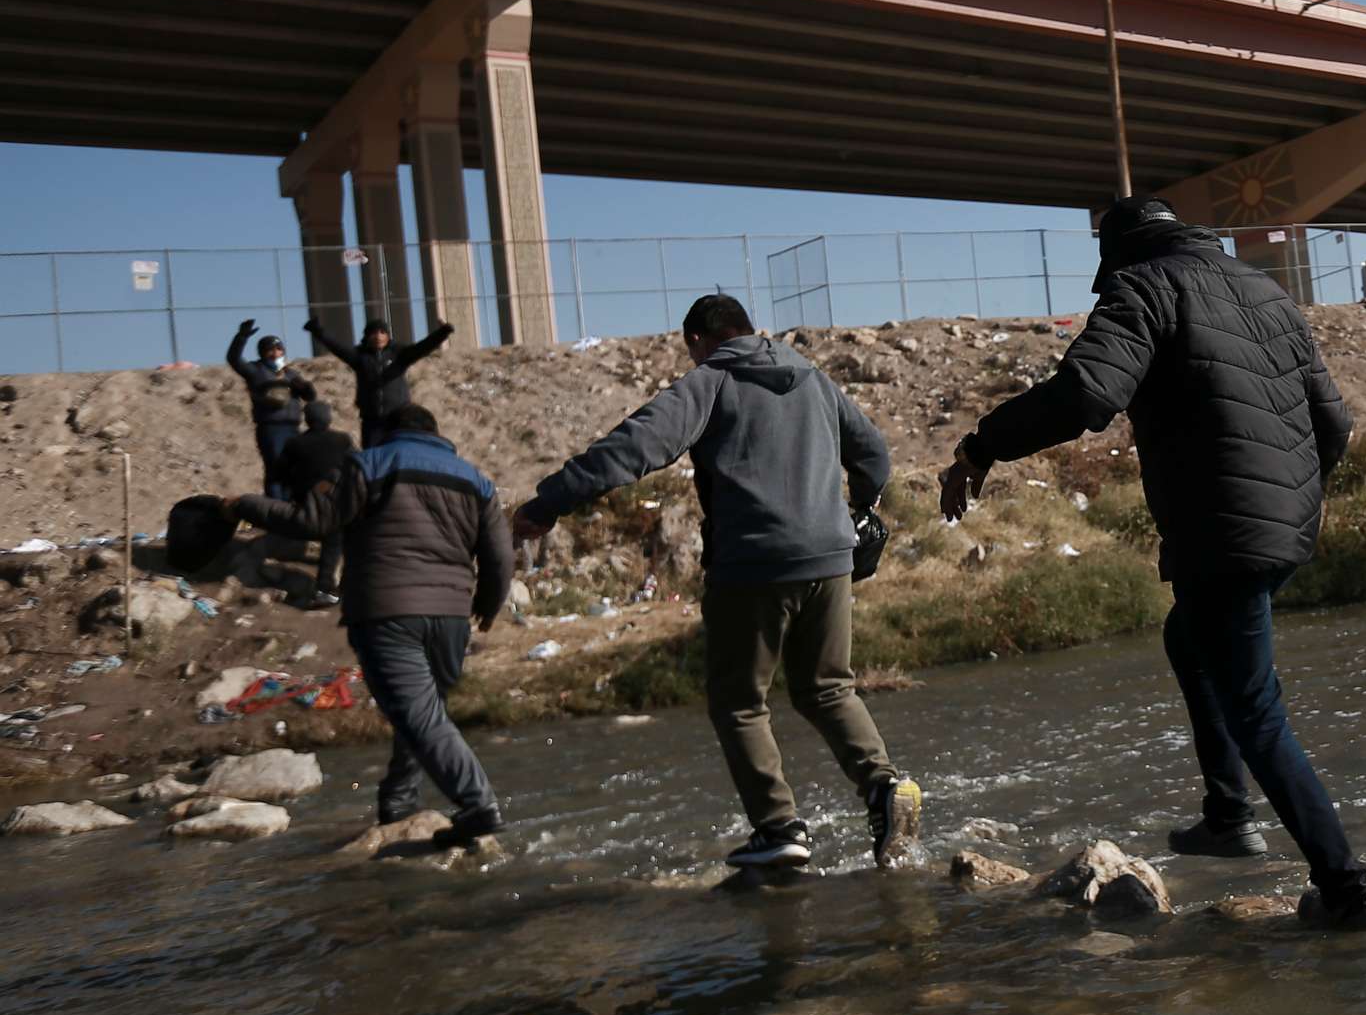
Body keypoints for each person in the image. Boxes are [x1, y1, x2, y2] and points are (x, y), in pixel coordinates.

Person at [940, 195, 1366, 930]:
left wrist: (981, 445)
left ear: (1118, 254)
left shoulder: (1143, 285)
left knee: (1257, 710)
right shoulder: (1263, 288)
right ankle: (1227, 813)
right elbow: (1334, 424)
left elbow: (1087, 392)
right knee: (1189, 636)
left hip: (1221, 530)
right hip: (1283, 524)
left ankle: (1347, 888)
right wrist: (1292, 502)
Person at [511, 294, 912, 871]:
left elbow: (635, 447)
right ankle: (882, 786)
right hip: (830, 560)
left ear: (699, 340)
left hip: (752, 564)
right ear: (750, 328)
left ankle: (778, 830)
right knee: (828, 689)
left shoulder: (712, 380)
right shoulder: (812, 378)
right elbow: (873, 452)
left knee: (740, 702)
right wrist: (856, 509)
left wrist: (550, 502)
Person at [231, 403, 511, 839]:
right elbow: (499, 554)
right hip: (453, 616)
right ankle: (398, 803)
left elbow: (311, 520)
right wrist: (488, 605)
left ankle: (479, 804)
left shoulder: (368, 464)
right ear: (436, 434)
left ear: (388, 431)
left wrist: (242, 505)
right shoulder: (474, 478)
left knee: (419, 716)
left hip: (387, 611)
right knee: (422, 713)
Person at [307, 313, 454, 449]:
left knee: (399, 452)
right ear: (367, 336)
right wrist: (317, 330)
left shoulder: (399, 354)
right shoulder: (360, 357)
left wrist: (443, 332)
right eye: (374, 333)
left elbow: (423, 347)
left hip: (398, 419)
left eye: (382, 332)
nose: (378, 336)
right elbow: (337, 347)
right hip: (372, 421)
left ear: (388, 336)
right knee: (373, 455)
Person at [224, 320, 315, 500]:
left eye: (278, 349)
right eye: (270, 350)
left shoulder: (290, 373)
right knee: (276, 467)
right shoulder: (255, 371)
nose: (275, 354)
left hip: (293, 427)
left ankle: (291, 505)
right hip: (271, 427)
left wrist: (305, 387)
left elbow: (311, 396)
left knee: (293, 468)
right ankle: (276, 505)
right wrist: (241, 337)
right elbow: (234, 359)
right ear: (262, 352)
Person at [279, 400, 357, 606]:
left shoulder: (294, 443)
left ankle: (326, 589)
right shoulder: (342, 439)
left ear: (307, 419)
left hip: (305, 505)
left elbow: (280, 474)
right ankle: (328, 587)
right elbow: (357, 465)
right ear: (328, 418)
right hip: (336, 502)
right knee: (337, 539)